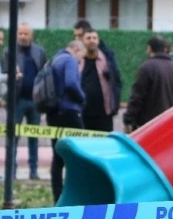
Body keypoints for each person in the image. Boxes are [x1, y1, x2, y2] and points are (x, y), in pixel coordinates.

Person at [2, 23, 47, 179]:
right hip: (16, 101)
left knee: (34, 138)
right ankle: (11, 172)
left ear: (31, 36)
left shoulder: (40, 52)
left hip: (35, 102)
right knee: (13, 137)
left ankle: (33, 171)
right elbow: (5, 74)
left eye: (26, 34)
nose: (23, 37)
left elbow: (44, 74)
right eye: (20, 33)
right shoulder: (9, 52)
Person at [46, 40, 86, 204]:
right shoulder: (69, 60)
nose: (79, 62)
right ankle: (76, 196)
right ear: (76, 49)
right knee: (78, 155)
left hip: (53, 112)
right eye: (80, 58)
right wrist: (82, 98)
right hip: (69, 112)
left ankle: (58, 197)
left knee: (58, 157)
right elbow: (71, 83)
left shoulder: (54, 59)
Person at [123, 35, 173, 132]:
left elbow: (137, 97)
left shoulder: (146, 67)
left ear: (149, 48)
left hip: (148, 126)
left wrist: (128, 120)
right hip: (169, 125)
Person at [79, 28, 122, 132]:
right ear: (82, 41)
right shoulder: (76, 61)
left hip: (104, 113)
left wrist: (115, 104)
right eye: (88, 38)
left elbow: (117, 81)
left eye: (94, 38)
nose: (92, 40)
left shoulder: (107, 61)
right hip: (82, 113)